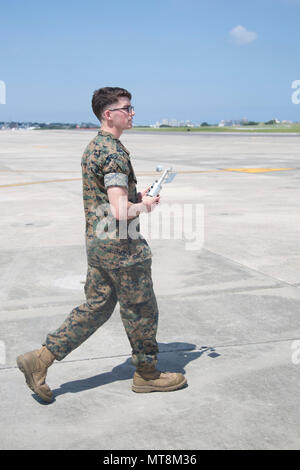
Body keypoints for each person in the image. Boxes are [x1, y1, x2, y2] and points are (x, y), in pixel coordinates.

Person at [16, 87, 187, 403]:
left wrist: (137, 196)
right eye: (127, 107)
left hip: (99, 245)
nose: (132, 112)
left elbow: (109, 201)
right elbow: (120, 212)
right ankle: (147, 374)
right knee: (141, 310)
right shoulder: (114, 154)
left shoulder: (95, 147)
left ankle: (39, 359)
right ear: (109, 114)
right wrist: (145, 205)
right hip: (123, 250)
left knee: (96, 308)